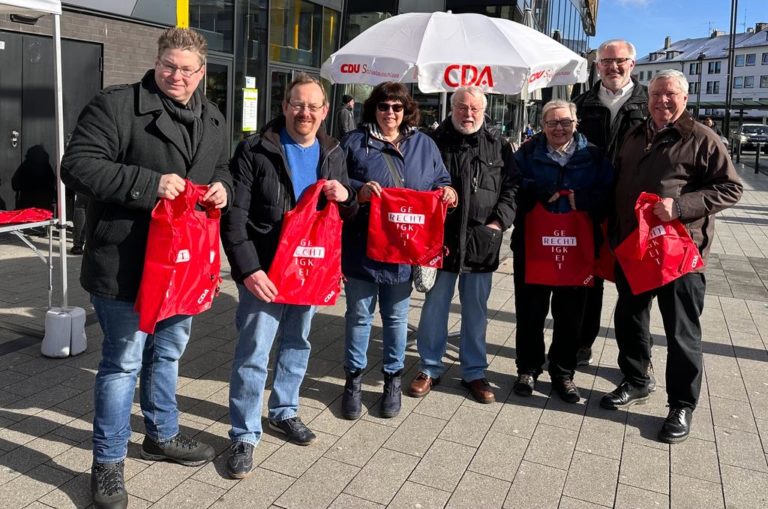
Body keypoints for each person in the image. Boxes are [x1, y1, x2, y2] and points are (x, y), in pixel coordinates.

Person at [60, 28, 232, 509]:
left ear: (203, 73)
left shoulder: (214, 118)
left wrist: (223, 189)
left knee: (169, 354)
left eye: (186, 69)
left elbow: (222, 168)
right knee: (122, 364)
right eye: (168, 66)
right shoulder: (116, 106)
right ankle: (108, 462)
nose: (176, 76)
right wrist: (149, 183)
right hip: (126, 263)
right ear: (157, 62)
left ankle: (161, 434)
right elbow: (76, 167)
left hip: (183, 266)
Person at [222, 73, 357, 479]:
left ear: (325, 111)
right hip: (265, 270)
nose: (305, 113)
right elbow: (235, 217)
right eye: (298, 104)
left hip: (309, 271)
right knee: (254, 353)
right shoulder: (255, 149)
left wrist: (347, 197)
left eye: (313, 106)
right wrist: (248, 269)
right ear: (284, 107)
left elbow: (344, 214)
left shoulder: (333, 151)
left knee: (298, 344)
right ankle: (244, 434)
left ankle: (284, 410)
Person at [600, 70, 742, 443]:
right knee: (629, 318)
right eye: (656, 95)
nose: (662, 101)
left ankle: (681, 404)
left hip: (679, 253)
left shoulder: (701, 138)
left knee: (681, 331)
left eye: (670, 95)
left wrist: (679, 205)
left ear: (685, 97)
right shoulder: (635, 134)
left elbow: (731, 188)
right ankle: (636, 379)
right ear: (647, 99)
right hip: (635, 248)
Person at [340, 82, 455, 420]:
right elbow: (334, 183)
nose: (390, 113)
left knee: (396, 318)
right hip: (363, 247)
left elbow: (441, 180)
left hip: (404, 250)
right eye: (383, 106)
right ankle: (354, 380)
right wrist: (359, 191)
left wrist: (447, 192)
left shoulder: (424, 145)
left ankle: (392, 378)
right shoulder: (354, 143)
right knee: (359, 317)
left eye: (397, 107)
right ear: (372, 108)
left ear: (407, 111)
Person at [408, 87, 518, 404]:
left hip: (481, 242)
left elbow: (512, 187)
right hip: (439, 241)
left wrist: (499, 222)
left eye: (473, 108)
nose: (467, 114)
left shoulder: (498, 144)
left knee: (476, 312)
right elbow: (417, 182)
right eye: (460, 107)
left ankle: (473, 372)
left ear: (484, 111)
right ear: (451, 109)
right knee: (434, 308)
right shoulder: (432, 141)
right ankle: (429, 367)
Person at [511, 100, 613, 403]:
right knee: (530, 311)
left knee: (570, 315)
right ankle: (528, 368)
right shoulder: (527, 152)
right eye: (552, 123)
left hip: (578, 247)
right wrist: (535, 191)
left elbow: (607, 194)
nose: (559, 128)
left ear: (576, 122)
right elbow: (511, 185)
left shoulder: (592, 155)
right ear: (542, 125)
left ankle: (563, 372)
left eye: (565, 122)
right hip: (533, 245)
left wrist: (581, 199)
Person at [572, 39, 648, 368]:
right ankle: (581, 345)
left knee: (634, 287)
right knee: (588, 282)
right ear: (597, 65)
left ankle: (635, 365)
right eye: (606, 61)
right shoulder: (582, 103)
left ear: (633, 64)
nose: (612, 67)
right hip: (591, 205)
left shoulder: (649, 103)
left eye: (620, 61)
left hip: (633, 210)